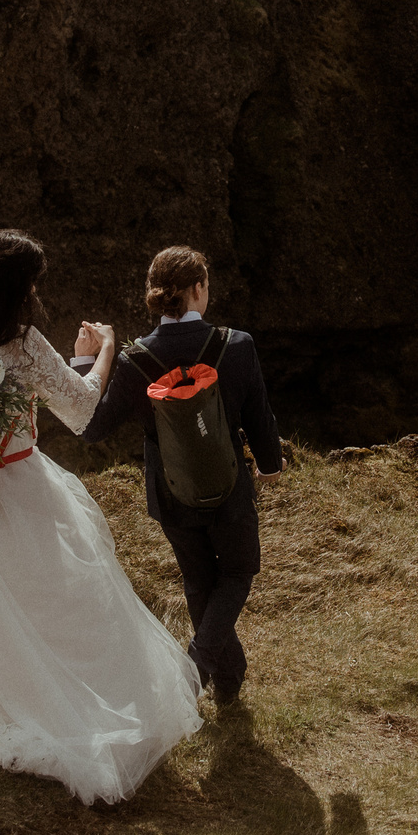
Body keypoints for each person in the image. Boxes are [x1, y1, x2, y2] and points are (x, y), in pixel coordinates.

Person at [0, 229, 200, 803]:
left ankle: (13, 708)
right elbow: (83, 411)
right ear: (21, 286)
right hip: (16, 484)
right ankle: (77, 712)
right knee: (63, 601)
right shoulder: (23, 343)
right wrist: (103, 349)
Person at [77, 246, 283, 706]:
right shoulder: (238, 345)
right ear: (197, 289)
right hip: (230, 488)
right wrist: (270, 465)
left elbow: (92, 429)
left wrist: (85, 363)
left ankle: (227, 681)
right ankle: (196, 669)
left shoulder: (135, 360)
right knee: (238, 571)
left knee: (198, 582)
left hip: (172, 494)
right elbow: (259, 417)